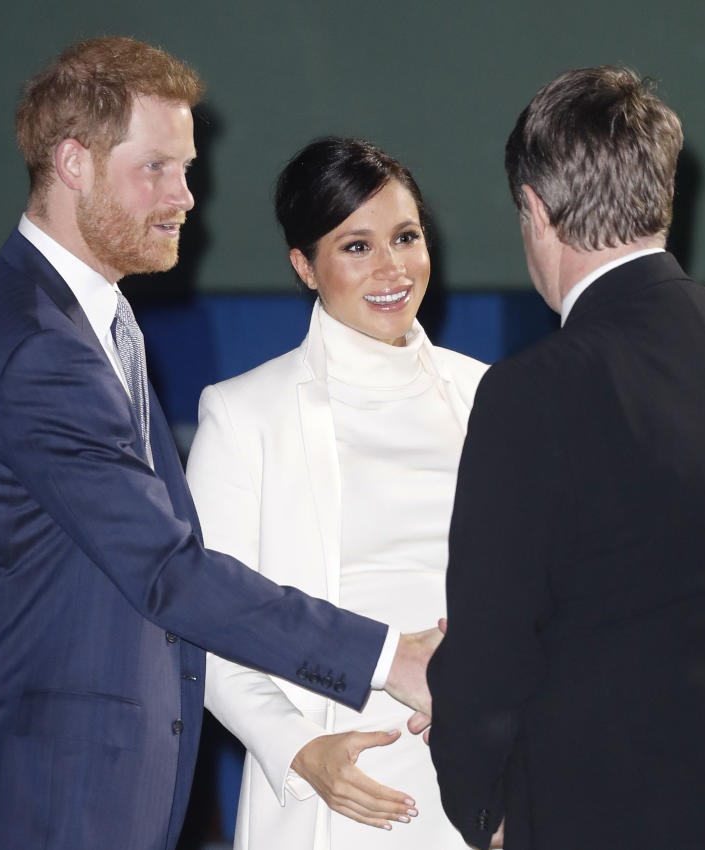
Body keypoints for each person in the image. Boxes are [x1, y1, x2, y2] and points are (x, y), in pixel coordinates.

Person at [0, 39, 439, 850]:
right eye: (157, 168)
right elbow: (167, 571)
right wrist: (387, 657)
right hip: (42, 803)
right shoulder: (38, 346)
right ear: (73, 163)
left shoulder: (85, 323)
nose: (186, 196)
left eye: (186, 169)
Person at [426, 67, 705, 849]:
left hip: (629, 812)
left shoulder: (534, 390)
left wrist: (483, 807)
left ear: (534, 208)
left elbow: (488, 653)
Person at [186, 137, 487, 849]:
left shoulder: (488, 395)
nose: (391, 269)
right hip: (335, 791)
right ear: (304, 265)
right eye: (356, 247)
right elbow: (208, 622)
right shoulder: (243, 414)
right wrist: (297, 750)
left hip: (480, 785)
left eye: (405, 238)